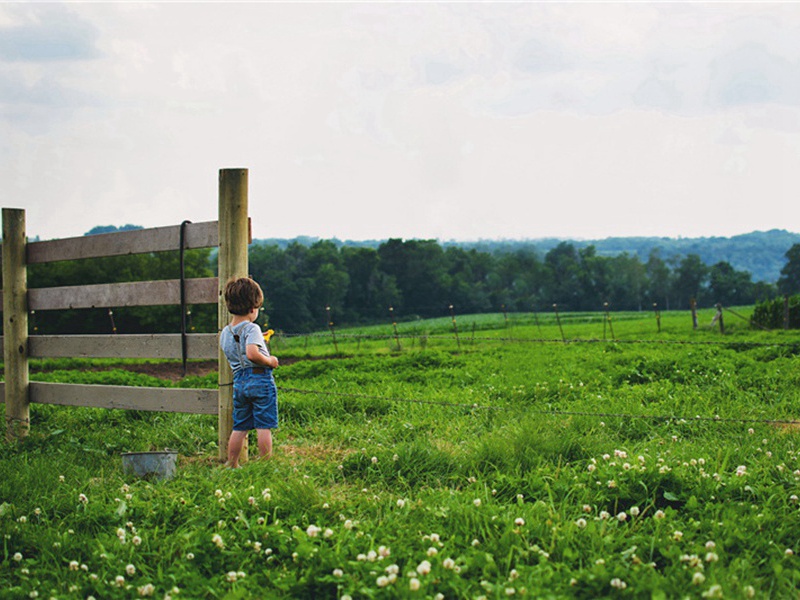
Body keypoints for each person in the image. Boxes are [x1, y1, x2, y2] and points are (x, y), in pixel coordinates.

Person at [219, 277, 279, 468]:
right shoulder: (252, 328)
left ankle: (232, 463)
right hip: (259, 378)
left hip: (239, 381)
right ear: (253, 308)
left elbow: (235, 351)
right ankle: (265, 465)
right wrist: (270, 361)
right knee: (263, 425)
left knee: (240, 426)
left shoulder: (225, 333)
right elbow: (252, 353)